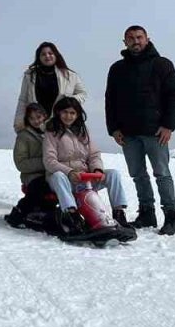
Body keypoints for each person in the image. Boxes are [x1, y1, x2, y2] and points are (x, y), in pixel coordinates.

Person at [105, 25, 175, 235]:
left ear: (147, 39)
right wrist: (113, 128)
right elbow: (110, 101)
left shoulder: (162, 64)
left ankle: (170, 216)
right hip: (128, 133)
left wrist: (168, 125)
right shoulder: (117, 69)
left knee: (162, 174)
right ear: (125, 42)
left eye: (139, 37)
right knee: (138, 175)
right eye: (130, 38)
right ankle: (147, 213)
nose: (135, 41)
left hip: (156, 131)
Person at [43, 97, 130, 233]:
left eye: (72, 113)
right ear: (58, 112)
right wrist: (70, 172)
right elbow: (49, 161)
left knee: (113, 174)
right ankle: (71, 214)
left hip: (84, 178)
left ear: (77, 114)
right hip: (64, 179)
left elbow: (94, 154)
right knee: (58, 176)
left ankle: (119, 213)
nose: (68, 116)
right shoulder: (51, 132)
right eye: (65, 112)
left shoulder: (83, 131)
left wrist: (97, 170)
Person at [13, 42, 88, 133]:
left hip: (58, 125)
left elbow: (82, 94)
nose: (47, 56)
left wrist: (69, 100)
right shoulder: (30, 75)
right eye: (43, 54)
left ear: (56, 55)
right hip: (35, 124)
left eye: (50, 53)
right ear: (39, 58)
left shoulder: (70, 76)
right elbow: (23, 99)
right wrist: (19, 123)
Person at [5, 103, 53, 228]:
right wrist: (46, 163)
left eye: (38, 117)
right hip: (33, 175)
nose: (36, 121)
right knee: (42, 185)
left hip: (52, 172)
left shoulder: (51, 133)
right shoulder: (23, 136)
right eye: (32, 118)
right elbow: (21, 163)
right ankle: (19, 212)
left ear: (44, 116)